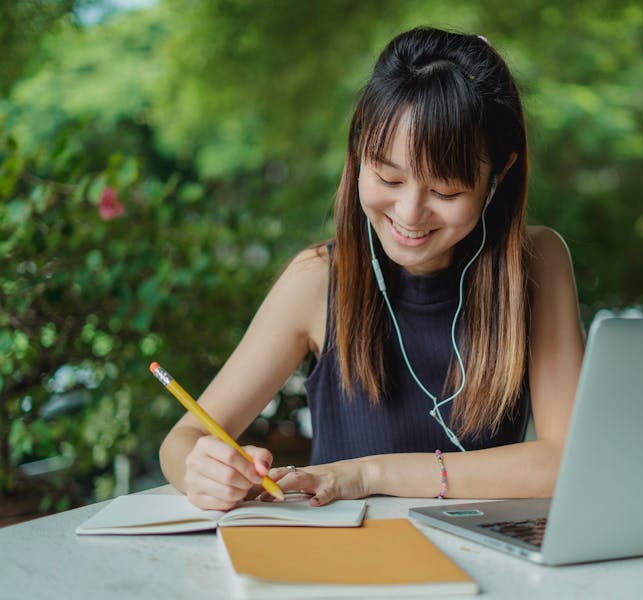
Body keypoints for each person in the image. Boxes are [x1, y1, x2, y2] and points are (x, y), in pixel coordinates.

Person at [159, 27, 585, 510]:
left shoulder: (537, 262)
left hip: (484, 565)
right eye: (388, 177)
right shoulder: (317, 279)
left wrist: (369, 473)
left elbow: (563, 461)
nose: (409, 213)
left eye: (445, 192)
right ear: (359, 149)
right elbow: (184, 438)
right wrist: (203, 469)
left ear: (498, 174)